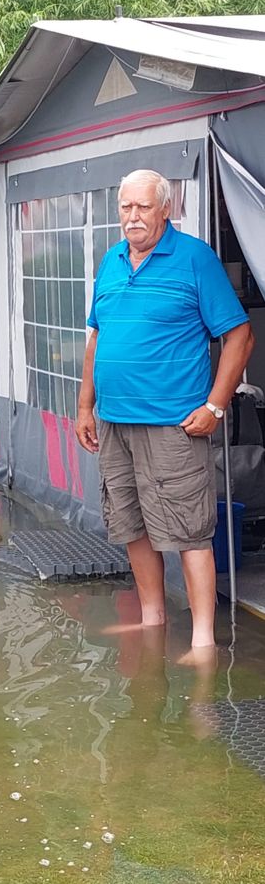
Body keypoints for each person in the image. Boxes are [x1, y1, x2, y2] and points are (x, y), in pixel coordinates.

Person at [75, 169, 254, 651]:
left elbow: (239, 336)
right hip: (114, 421)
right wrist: (84, 406)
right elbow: (98, 338)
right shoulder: (111, 262)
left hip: (174, 424)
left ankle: (202, 641)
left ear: (165, 209)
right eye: (126, 208)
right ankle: (152, 619)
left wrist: (216, 406)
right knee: (131, 524)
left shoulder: (195, 258)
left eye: (143, 207)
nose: (133, 217)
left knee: (191, 530)